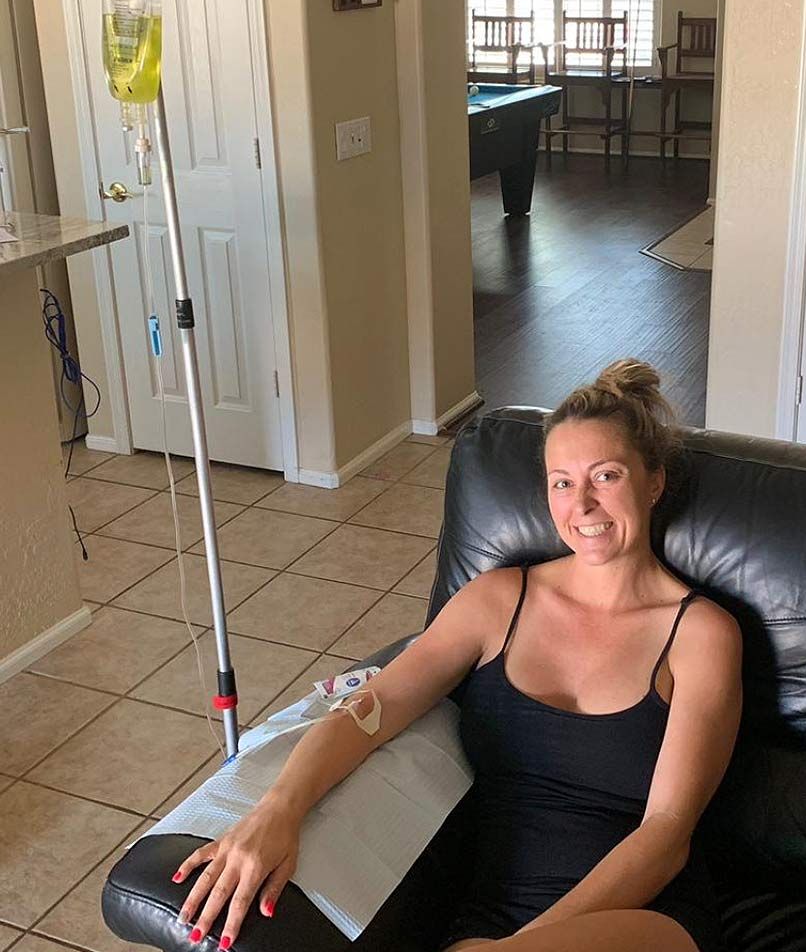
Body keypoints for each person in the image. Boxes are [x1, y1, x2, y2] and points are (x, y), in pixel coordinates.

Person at [171, 359, 743, 952]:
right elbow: (374, 708)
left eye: (606, 476)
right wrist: (276, 811)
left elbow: (668, 832)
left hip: (642, 919)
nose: (584, 504)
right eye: (562, 482)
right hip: (490, 920)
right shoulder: (498, 601)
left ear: (653, 482)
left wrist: (527, 943)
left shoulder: (701, 634)